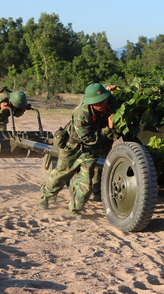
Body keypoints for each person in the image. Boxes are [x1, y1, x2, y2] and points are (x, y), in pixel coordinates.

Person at [38, 83, 120, 219]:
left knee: (86, 183)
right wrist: (108, 128)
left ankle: (75, 209)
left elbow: (100, 93)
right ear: (92, 103)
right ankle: (45, 195)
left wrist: (107, 88)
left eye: (105, 99)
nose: (105, 102)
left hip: (90, 151)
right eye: (101, 102)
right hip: (73, 147)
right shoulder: (81, 114)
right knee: (61, 175)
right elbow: (88, 138)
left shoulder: (105, 101)